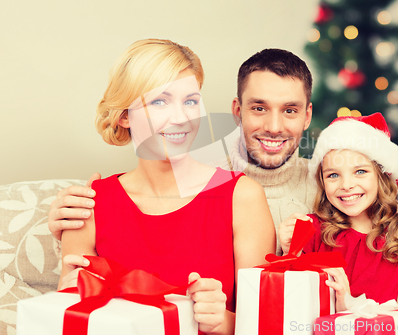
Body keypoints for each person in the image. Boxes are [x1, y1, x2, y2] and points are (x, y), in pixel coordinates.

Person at [50, 48, 398, 335]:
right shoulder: (211, 182)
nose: (275, 127)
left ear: (307, 117)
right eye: (259, 109)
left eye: (290, 111)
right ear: (236, 111)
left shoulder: (338, 186)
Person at [58, 39, 275, 335]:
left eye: (191, 101)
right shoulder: (89, 205)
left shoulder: (242, 197)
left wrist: (220, 321)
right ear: (124, 116)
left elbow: (263, 326)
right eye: (160, 101)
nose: (182, 117)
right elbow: (70, 317)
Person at [279, 112, 398, 312]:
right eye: (333, 175)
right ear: (322, 182)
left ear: (381, 176)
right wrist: (290, 252)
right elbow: (289, 305)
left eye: (360, 171)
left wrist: (347, 306)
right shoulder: (311, 230)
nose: (346, 185)